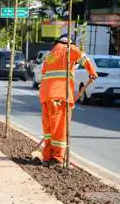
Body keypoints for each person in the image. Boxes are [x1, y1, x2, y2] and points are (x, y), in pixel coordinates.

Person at [39, 34, 97, 165]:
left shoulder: (51, 54)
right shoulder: (70, 49)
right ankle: (57, 158)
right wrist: (93, 73)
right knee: (59, 128)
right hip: (60, 95)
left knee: (48, 129)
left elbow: (44, 72)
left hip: (45, 96)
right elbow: (84, 58)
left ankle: (47, 156)